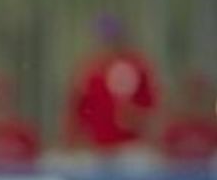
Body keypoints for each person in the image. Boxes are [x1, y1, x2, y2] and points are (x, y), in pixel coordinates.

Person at [63, 14, 160, 162]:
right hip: (96, 149)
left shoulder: (137, 66)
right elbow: (77, 110)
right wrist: (74, 141)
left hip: (130, 148)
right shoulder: (89, 70)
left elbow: (152, 109)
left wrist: (138, 118)